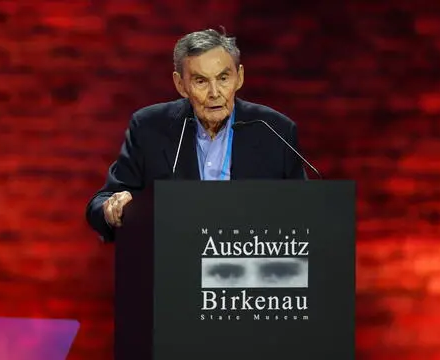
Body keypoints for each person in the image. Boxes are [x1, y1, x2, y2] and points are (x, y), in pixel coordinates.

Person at [85, 28, 307, 242]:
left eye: (223, 78)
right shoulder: (149, 128)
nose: (214, 93)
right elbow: (101, 202)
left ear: (239, 78)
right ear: (180, 84)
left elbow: (306, 211)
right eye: (201, 81)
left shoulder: (275, 130)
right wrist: (112, 208)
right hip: (174, 268)